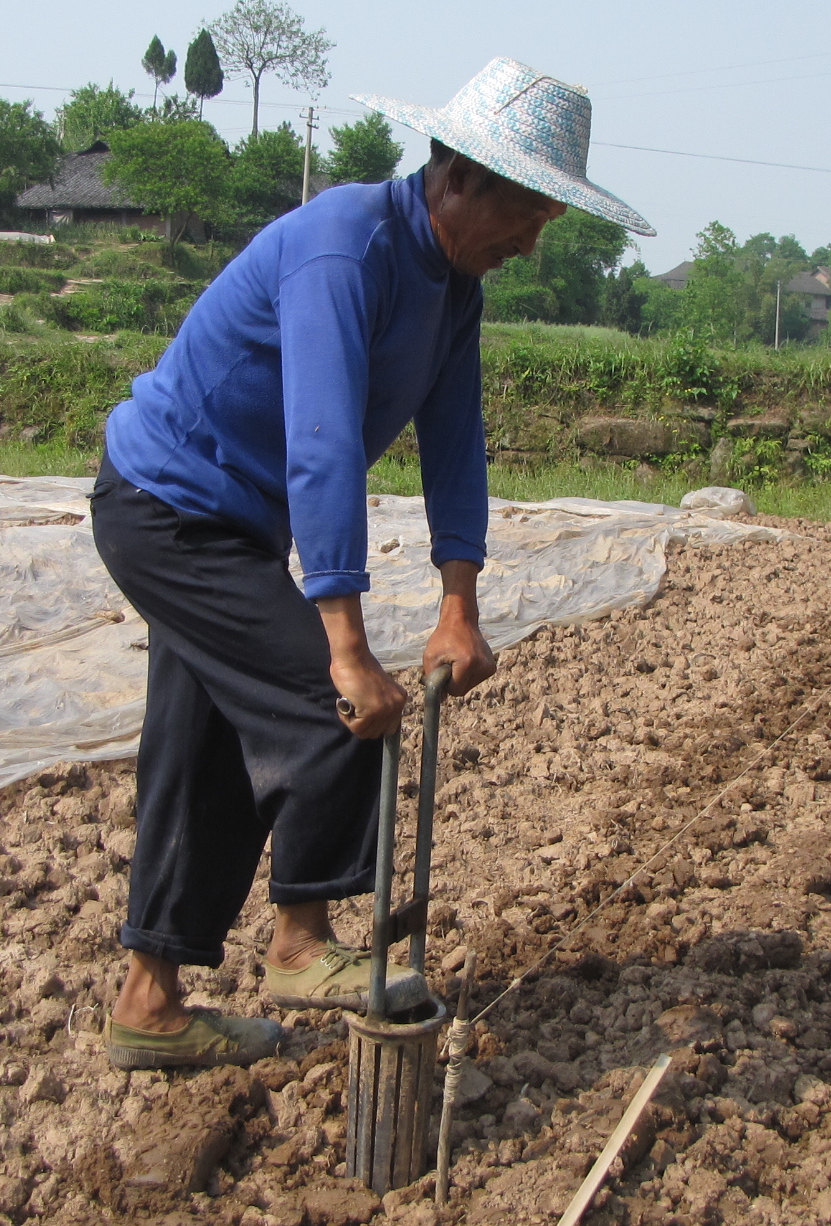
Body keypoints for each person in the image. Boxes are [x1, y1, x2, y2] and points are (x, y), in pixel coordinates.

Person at [89, 57, 654, 1070]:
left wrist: (458, 607)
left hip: (230, 524)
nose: (531, 243)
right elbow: (321, 444)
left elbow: (454, 441)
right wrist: (345, 646)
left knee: (199, 754)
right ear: (458, 180)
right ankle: (301, 946)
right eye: (526, 215)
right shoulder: (343, 250)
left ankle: (149, 1004)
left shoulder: (452, 287)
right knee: (335, 708)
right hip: (165, 508)